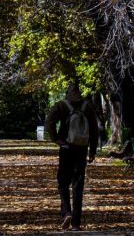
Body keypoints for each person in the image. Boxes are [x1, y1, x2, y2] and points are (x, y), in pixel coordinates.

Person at [45, 82, 100, 231]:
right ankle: (76, 223)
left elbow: (49, 122)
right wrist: (92, 151)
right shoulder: (87, 107)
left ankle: (66, 213)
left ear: (67, 92)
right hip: (81, 150)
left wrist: (57, 140)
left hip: (66, 148)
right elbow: (94, 130)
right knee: (78, 185)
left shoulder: (61, 105)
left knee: (63, 182)